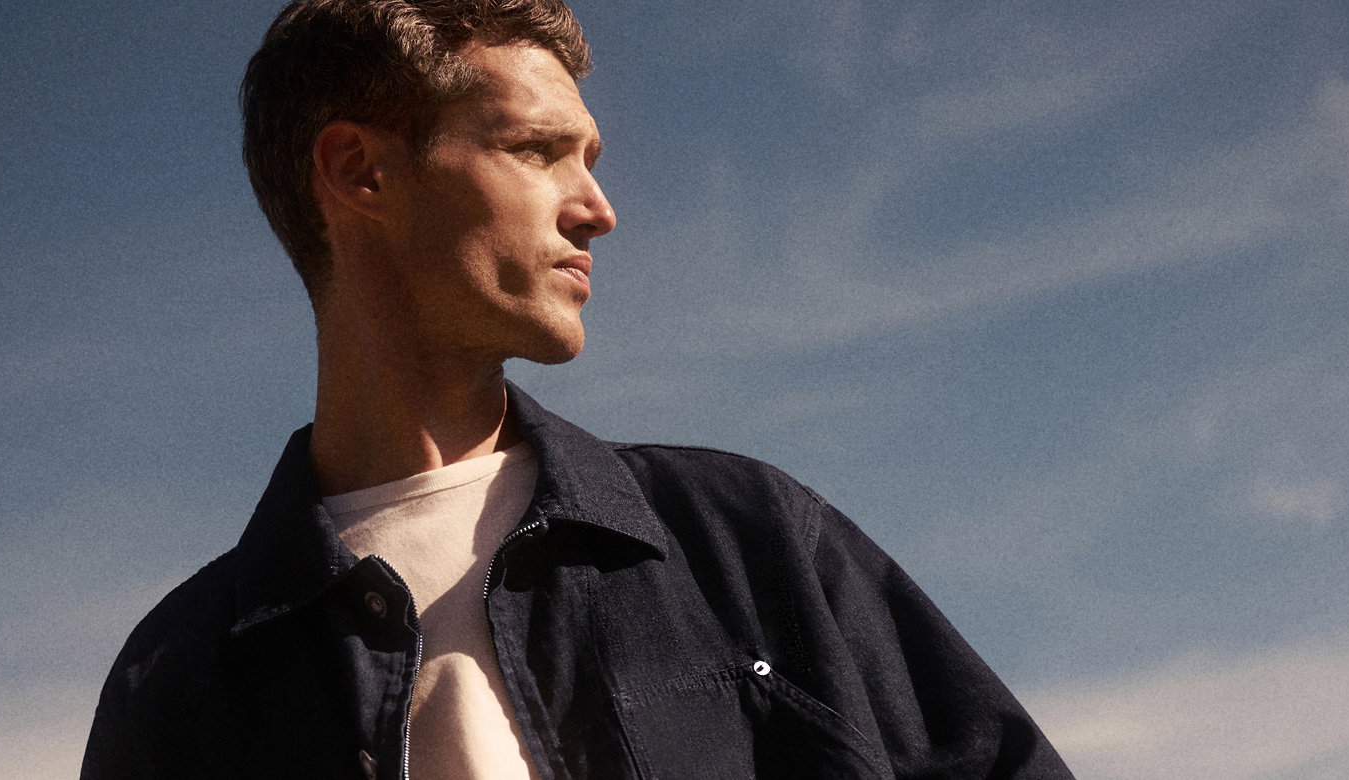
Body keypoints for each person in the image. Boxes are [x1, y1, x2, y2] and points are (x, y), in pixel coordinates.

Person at [82, 1, 1073, 777]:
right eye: (537, 151)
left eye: (587, 159)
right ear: (359, 172)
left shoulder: (749, 540)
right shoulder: (174, 681)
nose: (595, 209)